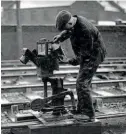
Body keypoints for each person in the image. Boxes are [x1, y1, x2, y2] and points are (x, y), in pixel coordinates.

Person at [53, 10, 106, 121]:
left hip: (93, 55)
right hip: (88, 53)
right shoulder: (74, 21)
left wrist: (70, 61)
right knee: (82, 82)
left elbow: (84, 54)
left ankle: (88, 114)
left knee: (82, 83)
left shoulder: (84, 30)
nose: (65, 30)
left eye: (65, 28)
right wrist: (60, 37)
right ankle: (82, 109)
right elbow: (70, 31)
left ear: (70, 23)